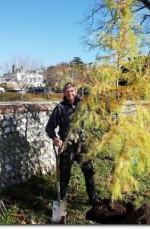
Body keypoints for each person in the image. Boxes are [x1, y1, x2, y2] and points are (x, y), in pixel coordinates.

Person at [46, 83, 99, 216]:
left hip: (82, 144)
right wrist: (55, 137)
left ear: (76, 91)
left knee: (89, 172)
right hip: (67, 145)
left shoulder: (82, 105)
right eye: (68, 91)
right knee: (64, 177)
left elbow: (96, 111)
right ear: (64, 93)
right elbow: (49, 127)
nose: (70, 93)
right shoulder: (60, 108)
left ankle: (93, 200)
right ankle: (61, 208)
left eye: (72, 91)